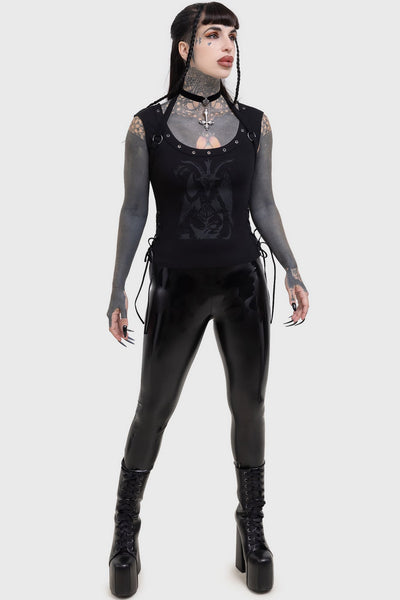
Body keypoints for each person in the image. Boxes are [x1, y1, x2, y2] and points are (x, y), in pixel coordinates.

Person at [106, 2, 309, 597]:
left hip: (242, 282)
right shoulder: (145, 126)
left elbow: (263, 205)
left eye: (233, 36)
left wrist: (293, 268)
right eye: (213, 35)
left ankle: (252, 528)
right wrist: (116, 287)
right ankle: (124, 530)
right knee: (153, 407)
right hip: (176, 285)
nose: (227, 46)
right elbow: (133, 211)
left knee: (250, 405)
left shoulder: (254, 124)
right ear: (183, 48)